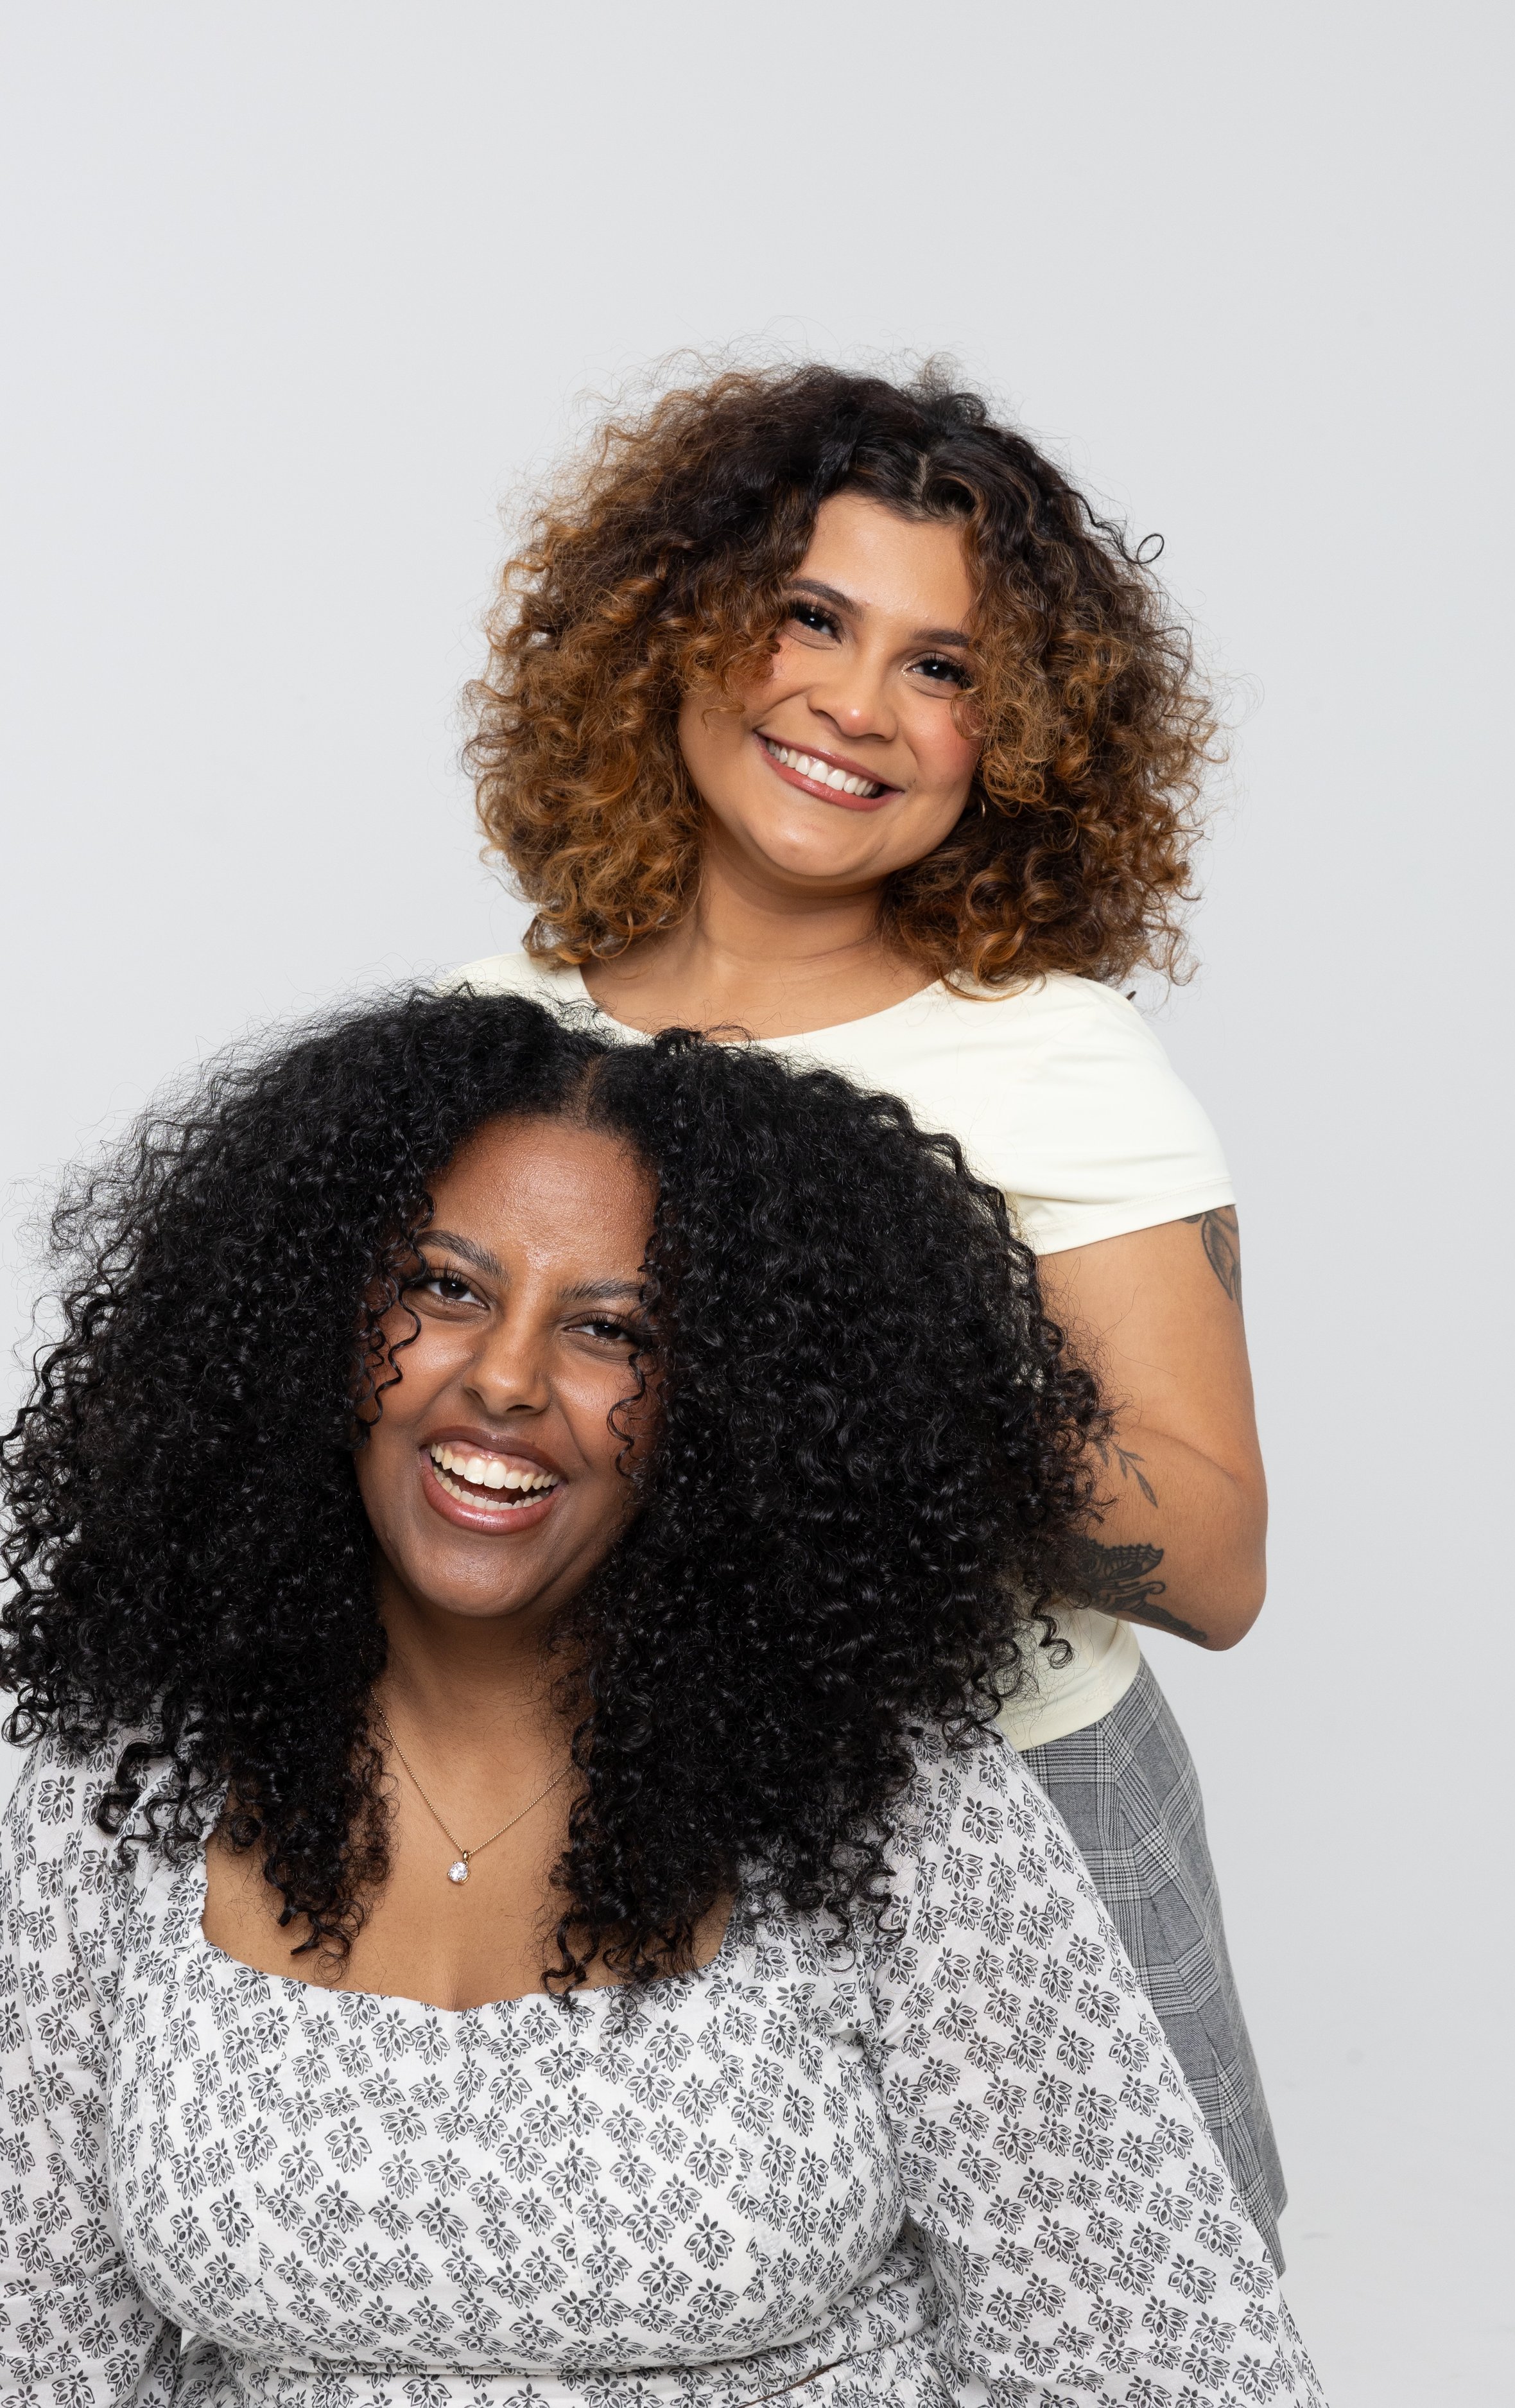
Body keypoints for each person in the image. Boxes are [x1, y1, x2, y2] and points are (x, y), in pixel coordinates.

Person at [0, 990, 1321, 2405]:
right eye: (446, 1289)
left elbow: (1155, 2366)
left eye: (613, 1331)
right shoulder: (118, 1795)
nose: (505, 1380)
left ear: (733, 1405)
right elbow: (39, 2353)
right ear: (307, 1314)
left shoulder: (895, 1805)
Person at [457, 362, 1286, 2257]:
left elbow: (1218, 1560)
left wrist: (849, 1365)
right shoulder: (490, 1031)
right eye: (810, 617)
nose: (855, 703)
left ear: (1016, 739)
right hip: (592, 1796)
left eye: (944, 666)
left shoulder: (1052, 1062)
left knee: (1125, 2329)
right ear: (672, 630)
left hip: (1008, 1804)